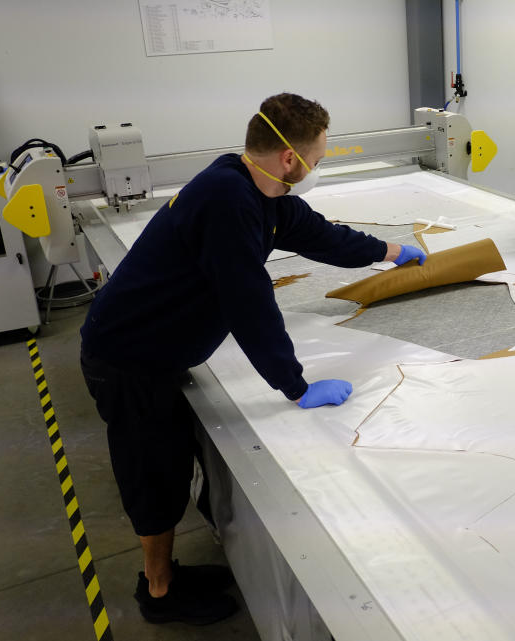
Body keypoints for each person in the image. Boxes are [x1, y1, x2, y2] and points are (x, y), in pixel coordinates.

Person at [79, 93, 427, 625]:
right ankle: (159, 592)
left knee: (169, 462)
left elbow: (321, 236)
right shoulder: (227, 201)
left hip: (158, 353)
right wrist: (296, 386)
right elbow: (248, 303)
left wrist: (388, 251)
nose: (319, 166)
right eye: (320, 157)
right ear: (291, 158)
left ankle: (168, 572)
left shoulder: (257, 191)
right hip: (129, 357)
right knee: (154, 475)